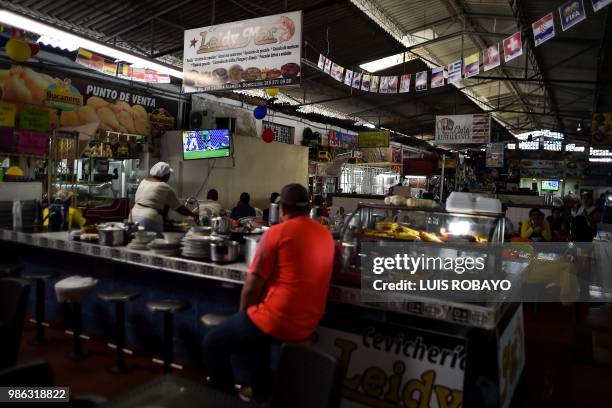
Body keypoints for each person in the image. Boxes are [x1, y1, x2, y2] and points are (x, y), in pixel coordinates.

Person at [202, 183, 334, 399]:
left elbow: (251, 287)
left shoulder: (277, 233)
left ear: (281, 208)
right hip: (309, 322)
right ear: (308, 208)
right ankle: (260, 391)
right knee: (255, 330)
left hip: (280, 320)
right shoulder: (325, 235)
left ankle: (224, 401)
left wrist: (243, 315)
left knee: (213, 344)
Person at [131, 162, 198, 234]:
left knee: (137, 241)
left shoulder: (143, 182)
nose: (169, 177)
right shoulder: (165, 188)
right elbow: (179, 208)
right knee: (153, 242)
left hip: (132, 217)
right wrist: (193, 214)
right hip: (148, 218)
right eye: (169, 174)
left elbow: (159, 204)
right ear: (165, 175)